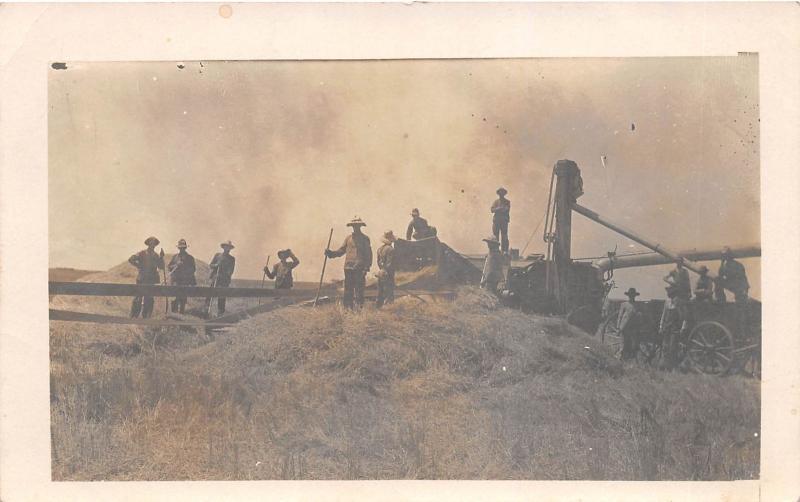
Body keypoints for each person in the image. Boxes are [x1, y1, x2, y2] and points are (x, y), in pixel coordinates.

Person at [325, 217, 373, 309]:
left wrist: (367, 267)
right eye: (354, 226)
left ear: (360, 226)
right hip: (348, 268)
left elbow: (369, 254)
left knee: (359, 291)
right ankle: (347, 311)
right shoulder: (348, 238)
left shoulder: (365, 239)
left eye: (357, 226)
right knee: (348, 291)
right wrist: (331, 253)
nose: (355, 228)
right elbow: (341, 251)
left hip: (359, 268)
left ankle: (359, 311)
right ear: (352, 226)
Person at [715, 246, 750, 336]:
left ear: (729, 256)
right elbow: (719, 281)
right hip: (729, 294)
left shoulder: (736, 265)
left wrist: (743, 291)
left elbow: (743, 280)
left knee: (740, 315)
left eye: (725, 255)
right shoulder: (723, 266)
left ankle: (742, 335)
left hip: (738, 294)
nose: (724, 257)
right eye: (723, 256)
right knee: (733, 316)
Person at [128, 236, 165, 318]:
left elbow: (161, 267)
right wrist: (139, 265)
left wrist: (161, 257)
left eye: (154, 244)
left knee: (149, 299)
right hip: (142, 279)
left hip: (152, 280)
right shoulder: (141, 253)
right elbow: (131, 259)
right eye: (151, 243)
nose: (152, 245)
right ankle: (133, 317)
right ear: (148, 244)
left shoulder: (156, 256)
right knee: (138, 298)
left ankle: (146, 318)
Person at [205, 240, 236, 316]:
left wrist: (223, 275)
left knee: (222, 296)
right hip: (215, 278)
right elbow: (211, 265)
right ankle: (206, 310)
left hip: (224, 280)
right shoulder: (217, 255)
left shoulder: (231, 259)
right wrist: (216, 265)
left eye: (228, 247)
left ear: (230, 249)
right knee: (210, 294)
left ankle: (220, 313)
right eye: (226, 247)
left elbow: (230, 271)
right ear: (223, 247)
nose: (227, 249)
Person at [167, 238, 196, 314]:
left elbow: (193, 269)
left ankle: (181, 314)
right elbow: (169, 267)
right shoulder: (175, 257)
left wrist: (185, 269)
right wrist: (176, 265)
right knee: (174, 298)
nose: (182, 249)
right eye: (180, 248)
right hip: (175, 281)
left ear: (185, 248)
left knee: (183, 299)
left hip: (185, 281)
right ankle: (173, 315)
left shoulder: (190, 258)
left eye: (183, 248)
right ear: (178, 248)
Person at [659, 284, 684, 370]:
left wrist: (682, 327)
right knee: (665, 346)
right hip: (667, 326)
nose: (668, 293)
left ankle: (671, 367)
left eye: (670, 292)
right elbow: (664, 314)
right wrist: (661, 326)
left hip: (675, 328)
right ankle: (663, 365)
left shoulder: (678, 302)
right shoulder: (667, 302)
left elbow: (682, 316)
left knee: (672, 347)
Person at [617, 287, 641, 360]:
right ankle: (620, 358)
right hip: (624, 327)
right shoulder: (624, 304)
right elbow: (620, 316)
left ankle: (628, 359)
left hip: (633, 328)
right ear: (628, 296)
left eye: (633, 295)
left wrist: (639, 314)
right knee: (623, 344)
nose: (631, 297)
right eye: (630, 295)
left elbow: (638, 316)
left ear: (635, 296)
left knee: (631, 344)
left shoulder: (637, 305)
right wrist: (618, 327)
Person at [375, 230, 397, 308]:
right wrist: (387, 271)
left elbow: (378, 261)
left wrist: (381, 270)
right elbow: (389, 263)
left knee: (380, 291)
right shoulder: (391, 249)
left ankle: (378, 308)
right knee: (389, 292)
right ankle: (390, 310)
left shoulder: (379, 249)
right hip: (388, 273)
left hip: (380, 273)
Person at [490, 187, 511, 254]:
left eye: (502, 192)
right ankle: (495, 250)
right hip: (496, 221)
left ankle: (504, 251)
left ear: (504, 193)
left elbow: (506, 209)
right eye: (500, 192)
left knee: (504, 236)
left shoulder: (507, 202)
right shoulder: (496, 202)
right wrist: (499, 208)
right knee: (495, 236)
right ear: (498, 194)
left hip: (504, 221)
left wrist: (498, 209)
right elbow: (492, 210)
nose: (501, 194)